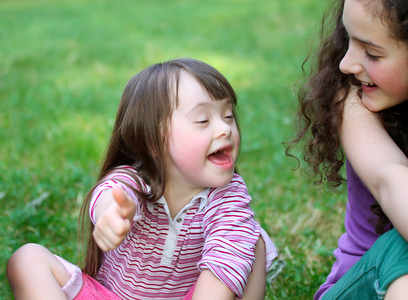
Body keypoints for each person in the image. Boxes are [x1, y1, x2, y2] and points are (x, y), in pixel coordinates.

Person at [7, 58, 277, 300]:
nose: (225, 129)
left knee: (253, 242)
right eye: (203, 120)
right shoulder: (133, 181)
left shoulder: (228, 195)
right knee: (27, 258)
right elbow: (112, 196)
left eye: (228, 116)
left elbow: (225, 261)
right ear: (152, 141)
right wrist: (111, 215)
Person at [286, 0, 408, 298]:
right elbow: (390, 178)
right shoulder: (351, 100)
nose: (346, 64)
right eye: (349, 40)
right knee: (400, 246)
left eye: (371, 53)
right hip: (360, 285)